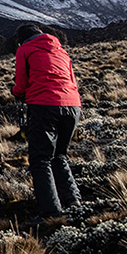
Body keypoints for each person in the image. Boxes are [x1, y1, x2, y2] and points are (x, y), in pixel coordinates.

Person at [12, 23, 82, 219]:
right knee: (59, 155)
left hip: (44, 105)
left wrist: (16, 93)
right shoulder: (62, 52)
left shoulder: (24, 50)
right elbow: (73, 81)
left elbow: (21, 83)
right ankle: (72, 201)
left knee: (40, 158)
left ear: (21, 39)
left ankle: (51, 212)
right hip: (73, 106)